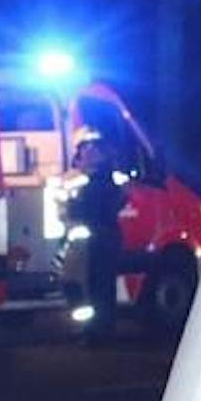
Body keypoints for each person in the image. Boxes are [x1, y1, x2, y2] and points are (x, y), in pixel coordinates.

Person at [64, 128, 128, 341]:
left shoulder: (94, 185)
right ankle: (101, 329)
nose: (85, 155)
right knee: (103, 288)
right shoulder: (108, 182)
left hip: (97, 241)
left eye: (88, 151)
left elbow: (84, 211)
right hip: (107, 238)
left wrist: (72, 205)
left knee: (95, 288)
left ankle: (96, 331)